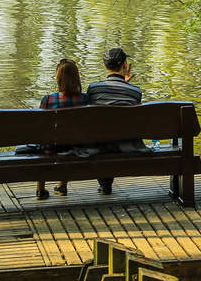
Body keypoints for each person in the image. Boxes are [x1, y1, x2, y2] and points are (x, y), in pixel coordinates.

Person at [87, 47, 142, 194]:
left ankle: (105, 184)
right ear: (125, 65)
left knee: (103, 134)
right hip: (126, 143)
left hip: (100, 144)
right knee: (115, 133)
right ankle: (106, 185)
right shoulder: (135, 91)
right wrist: (126, 84)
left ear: (105, 66)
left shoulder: (93, 89)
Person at [36, 58, 89, 200]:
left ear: (58, 78)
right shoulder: (85, 100)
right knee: (71, 139)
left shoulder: (48, 100)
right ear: (77, 78)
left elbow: (40, 127)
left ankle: (40, 189)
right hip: (75, 147)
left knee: (45, 142)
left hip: (50, 148)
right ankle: (62, 185)